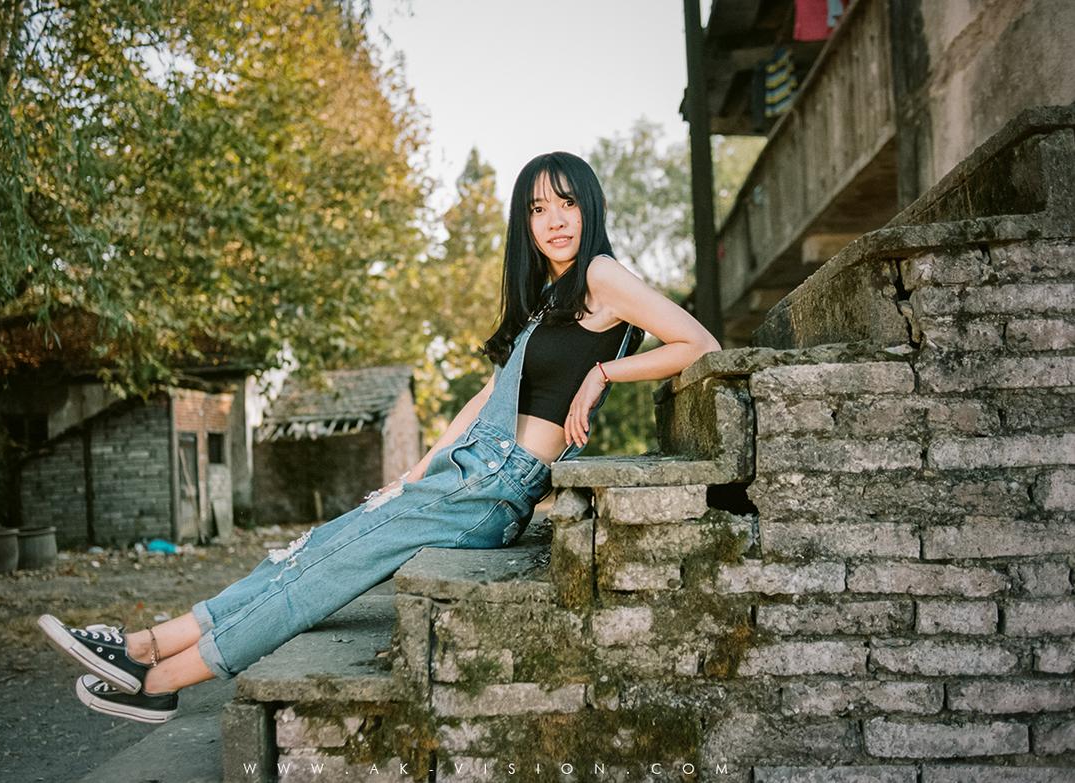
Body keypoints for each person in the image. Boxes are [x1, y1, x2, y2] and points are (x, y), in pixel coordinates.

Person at [37, 151, 722, 724]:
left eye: (567, 203)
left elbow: (699, 342)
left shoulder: (601, 274)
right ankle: (144, 643)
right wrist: (416, 471)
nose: (555, 220)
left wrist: (604, 372)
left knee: (327, 570)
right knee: (312, 548)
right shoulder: (550, 296)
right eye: (538, 208)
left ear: (589, 207)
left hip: (496, 486)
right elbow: (484, 399)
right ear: (525, 223)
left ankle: (157, 681)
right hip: (466, 472)